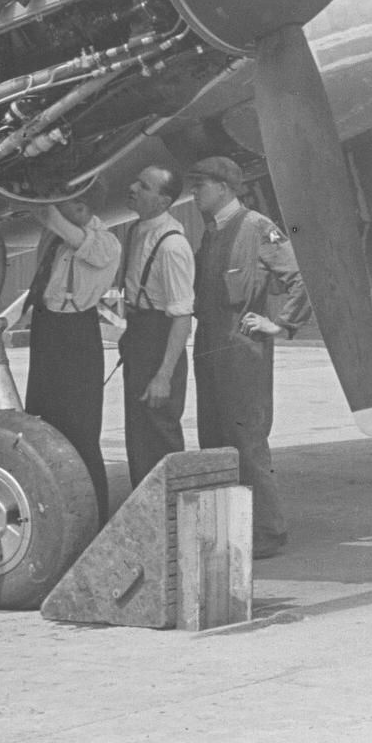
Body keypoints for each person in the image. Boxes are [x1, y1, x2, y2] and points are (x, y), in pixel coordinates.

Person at [186, 156, 309, 560]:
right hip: (209, 345)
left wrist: (280, 325)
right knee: (213, 438)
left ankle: (269, 532)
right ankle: (226, 529)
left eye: (201, 183)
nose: (194, 190)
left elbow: (300, 278)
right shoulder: (211, 233)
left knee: (247, 440)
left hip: (242, 349)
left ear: (224, 187)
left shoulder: (257, 227)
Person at [21, 187, 121, 516]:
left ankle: (95, 515)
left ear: (82, 206)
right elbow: (42, 286)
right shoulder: (54, 240)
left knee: (81, 431)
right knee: (41, 419)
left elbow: (47, 214)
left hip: (76, 334)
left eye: (67, 204)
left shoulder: (105, 243)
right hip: (46, 328)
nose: (59, 212)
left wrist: (30, 190)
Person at [115, 165, 195, 490]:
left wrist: (164, 375)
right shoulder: (137, 230)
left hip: (161, 339)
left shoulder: (172, 246)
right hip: (138, 334)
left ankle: (170, 512)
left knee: (160, 430)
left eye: (144, 186)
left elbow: (182, 317)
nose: (133, 187)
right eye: (136, 180)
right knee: (138, 431)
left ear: (163, 201)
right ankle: (143, 507)